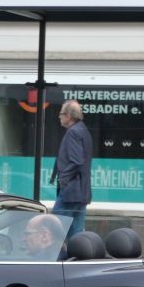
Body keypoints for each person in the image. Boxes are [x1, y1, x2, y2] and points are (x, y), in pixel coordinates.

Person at [50, 99, 93, 238]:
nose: (59, 116)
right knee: (77, 236)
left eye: (61, 113)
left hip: (71, 192)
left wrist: (63, 178)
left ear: (69, 116)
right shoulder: (83, 130)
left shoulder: (73, 132)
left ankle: (53, 259)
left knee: (53, 232)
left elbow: (77, 161)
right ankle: (77, 259)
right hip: (81, 192)